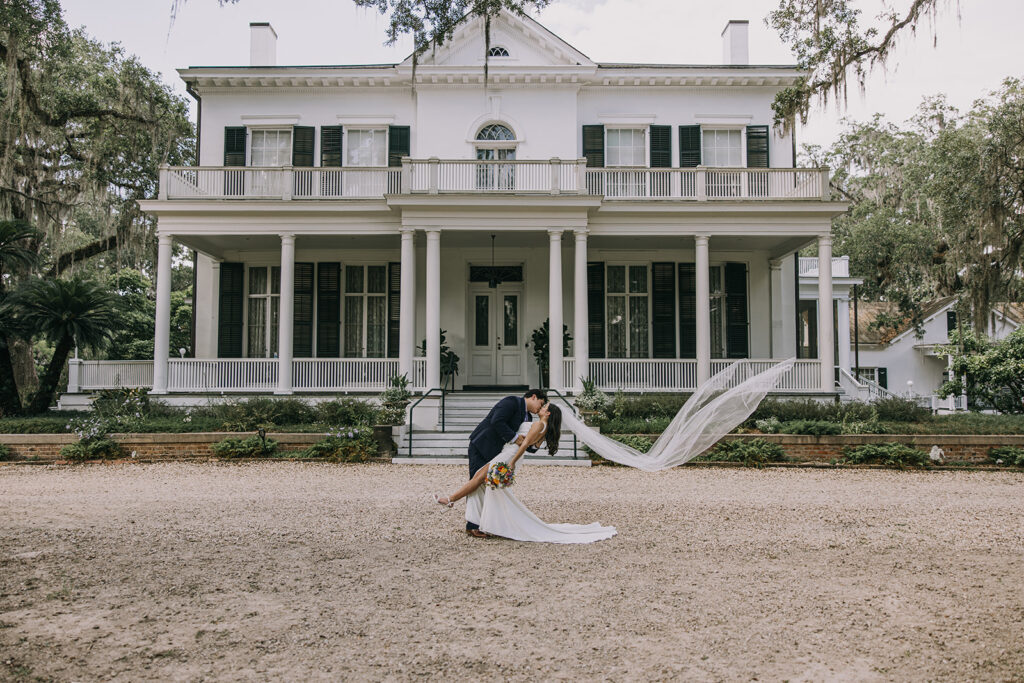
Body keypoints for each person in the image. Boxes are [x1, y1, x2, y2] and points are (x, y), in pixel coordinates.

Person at [436, 403, 618, 544]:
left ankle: (450, 500)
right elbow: (533, 446)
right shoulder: (544, 429)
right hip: (507, 455)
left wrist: (512, 463)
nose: (541, 407)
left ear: (548, 413)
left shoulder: (539, 424)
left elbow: (524, 445)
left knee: (478, 479)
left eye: (545, 407)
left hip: (508, 456)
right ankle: (469, 512)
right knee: (481, 481)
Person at [460, 389, 546, 538]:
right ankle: (472, 525)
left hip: (498, 453)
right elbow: (497, 420)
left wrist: (538, 441)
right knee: (476, 481)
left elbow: (525, 443)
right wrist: (514, 438)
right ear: (533, 396)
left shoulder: (529, 418)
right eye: (541, 403)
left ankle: (488, 522)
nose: (540, 407)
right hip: (481, 445)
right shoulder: (511, 402)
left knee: (490, 487)